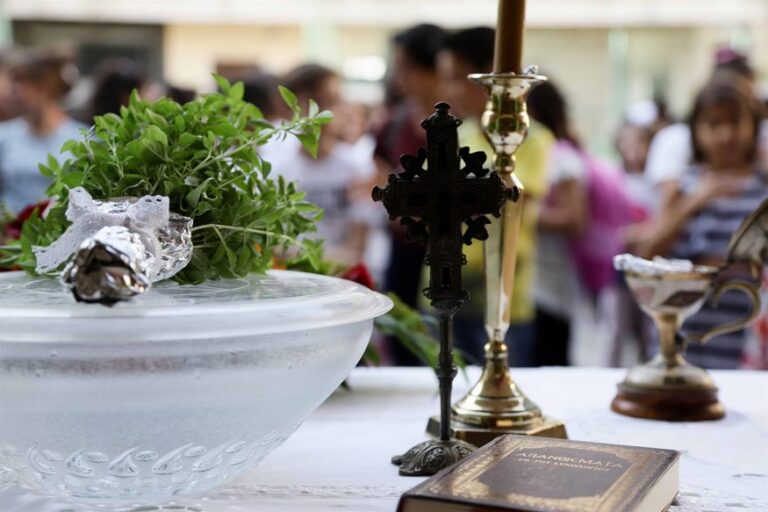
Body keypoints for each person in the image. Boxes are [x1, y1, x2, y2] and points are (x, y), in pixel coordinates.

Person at [437, 26, 554, 365]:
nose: (448, 89)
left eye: (457, 77)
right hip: (447, 288)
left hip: (505, 296)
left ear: (489, 73)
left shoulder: (532, 139)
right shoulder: (453, 136)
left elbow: (514, 197)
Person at [639, 76, 768, 369]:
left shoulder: (762, 191)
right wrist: (694, 202)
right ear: (696, 131)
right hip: (685, 343)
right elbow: (649, 250)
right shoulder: (684, 187)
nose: (725, 135)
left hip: (745, 347)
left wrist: (721, 266)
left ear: (752, 127)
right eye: (714, 124)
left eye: (735, 122)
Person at [375, 24, 446, 365]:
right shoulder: (395, 122)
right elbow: (379, 168)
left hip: (446, 249)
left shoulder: (460, 124)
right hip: (402, 246)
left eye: (407, 67)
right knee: (404, 336)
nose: (400, 77)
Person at [268, 63, 375, 267]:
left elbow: (357, 247)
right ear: (289, 107)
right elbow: (272, 245)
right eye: (316, 102)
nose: (325, 112)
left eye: (333, 101)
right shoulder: (275, 171)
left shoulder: (357, 168)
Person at [0, 50, 84, 214]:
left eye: (22, 85)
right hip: (9, 235)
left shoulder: (82, 139)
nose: (14, 93)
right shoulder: (4, 136)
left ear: (44, 88)